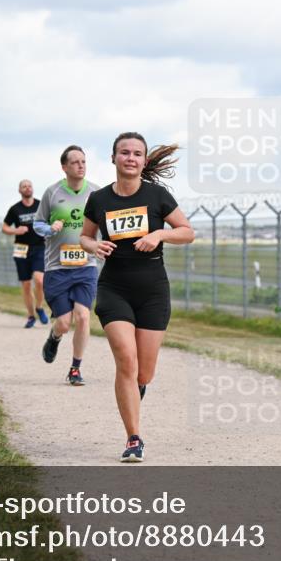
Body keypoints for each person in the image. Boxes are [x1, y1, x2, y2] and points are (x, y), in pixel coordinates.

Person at [79, 132, 194, 462]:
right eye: (124, 152)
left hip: (153, 291)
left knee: (144, 373)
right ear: (113, 158)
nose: (130, 158)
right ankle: (133, 438)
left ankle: (135, 390)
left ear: (144, 161)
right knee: (125, 360)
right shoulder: (99, 200)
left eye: (137, 153)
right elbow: (85, 237)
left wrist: (159, 234)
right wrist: (94, 245)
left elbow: (187, 232)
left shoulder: (157, 195)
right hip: (114, 288)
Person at [34, 146, 99, 386]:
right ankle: (54, 337)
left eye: (83, 161)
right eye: (75, 162)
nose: (81, 166)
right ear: (64, 167)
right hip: (57, 267)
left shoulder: (96, 192)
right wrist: (50, 228)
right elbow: (37, 224)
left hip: (86, 266)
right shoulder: (52, 193)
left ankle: (75, 368)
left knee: (82, 317)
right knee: (63, 322)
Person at [2, 180, 49, 328]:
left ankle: (39, 307)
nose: (27, 188)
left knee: (39, 280)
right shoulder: (15, 209)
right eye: (24, 186)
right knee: (26, 284)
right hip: (21, 248)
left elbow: (50, 220)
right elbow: (4, 227)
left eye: (29, 186)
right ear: (19, 190)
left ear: (32, 189)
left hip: (39, 247)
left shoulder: (40, 205)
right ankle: (30, 316)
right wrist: (16, 231)